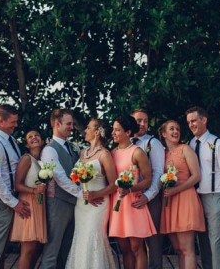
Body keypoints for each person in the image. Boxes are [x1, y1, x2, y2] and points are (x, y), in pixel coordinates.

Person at [0, 104, 31, 269]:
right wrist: (14, 203)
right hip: (2, 200)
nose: (16, 125)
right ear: (1, 121)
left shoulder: (10, 141)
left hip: (9, 198)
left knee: (2, 248)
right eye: (13, 122)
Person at [66, 118, 118, 269]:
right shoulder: (82, 153)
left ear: (96, 132)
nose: (85, 130)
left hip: (99, 204)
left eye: (88, 128)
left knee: (94, 237)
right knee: (81, 237)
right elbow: (75, 177)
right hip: (82, 204)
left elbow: (114, 183)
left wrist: (97, 194)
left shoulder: (104, 154)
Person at [186, 106, 220, 269]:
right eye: (189, 122)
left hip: (216, 198)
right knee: (203, 242)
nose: (191, 125)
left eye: (193, 120)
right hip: (197, 198)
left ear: (204, 120)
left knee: (217, 244)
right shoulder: (190, 144)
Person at [109, 115, 157, 269]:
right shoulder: (112, 153)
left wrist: (130, 189)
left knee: (137, 247)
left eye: (117, 130)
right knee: (124, 249)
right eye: (113, 130)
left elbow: (148, 180)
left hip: (133, 204)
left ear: (128, 132)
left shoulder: (137, 152)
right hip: (117, 204)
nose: (113, 133)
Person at [158, 120, 205, 269]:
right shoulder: (163, 154)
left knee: (187, 249)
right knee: (178, 249)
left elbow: (196, 176)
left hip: (185, 199)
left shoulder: (185, 149)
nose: (176, 132)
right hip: (170, 203)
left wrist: (176, 190)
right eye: (171, 129)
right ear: (163, 133)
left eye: (177, 129)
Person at [40, 109, 82, 269]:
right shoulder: (49, 150)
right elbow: (60, 178)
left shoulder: (71, 147)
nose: (72, 127)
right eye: (68, 124)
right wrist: (82, 194)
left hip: (73, 204)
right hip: (57, 204)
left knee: (66, 249)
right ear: (57, 124)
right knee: (52, 250)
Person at [131, 109, 165, 269]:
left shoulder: (153, 143)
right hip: (130, 199)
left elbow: (158, 172)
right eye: (139, 120)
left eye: (145, 121)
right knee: (134, 240)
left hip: (149, 198)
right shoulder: (125, 142)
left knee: (153, 239)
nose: (143, 124)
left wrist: (148, 196)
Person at [10, 130, 48, 269]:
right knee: (28, 250)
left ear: (42, 141)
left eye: (37, 135)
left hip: (40, 204)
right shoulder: (26, 159)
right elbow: (17, 184)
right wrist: (34, 190)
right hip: (28, 203)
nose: (34, 138)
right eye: (30, 137)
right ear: (27, 144)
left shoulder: (42, 162)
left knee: (36, 249)